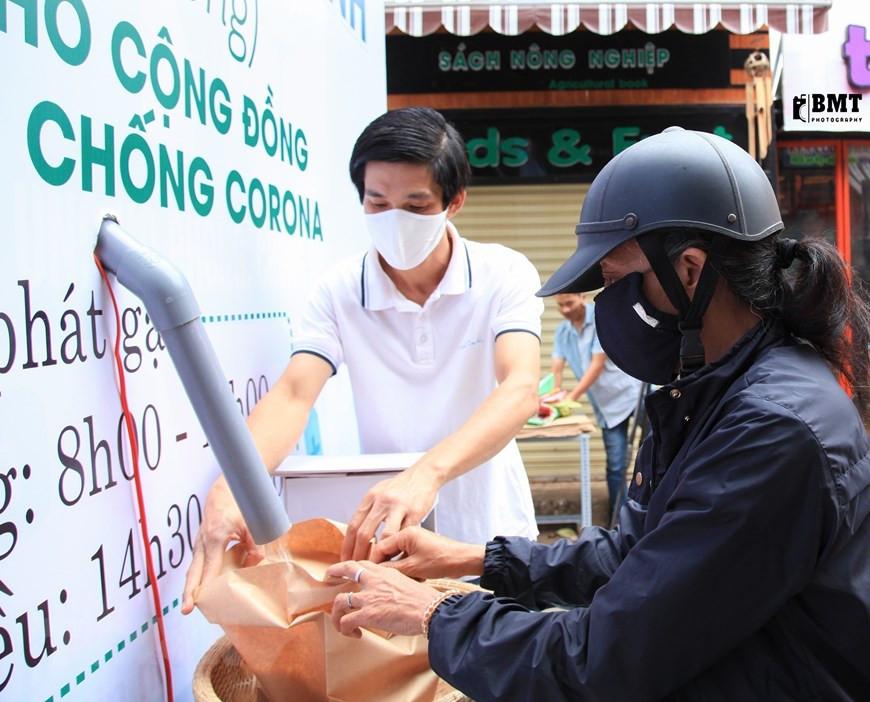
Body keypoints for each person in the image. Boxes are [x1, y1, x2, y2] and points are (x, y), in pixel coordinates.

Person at [325, 127, 870, 701]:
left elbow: (607, 656)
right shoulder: (713, 388)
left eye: (612, 279)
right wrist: (476, 559)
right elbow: (644, 556)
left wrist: (438, 615)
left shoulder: (771, 429)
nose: (602, 302)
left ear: (689, 269)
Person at [181, 106, 544, 614]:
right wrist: (232, 488)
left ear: (453, 202)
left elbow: (520, 388)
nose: (394, 220)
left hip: (489, 532)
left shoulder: (502, 273)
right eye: (377, 203)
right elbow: (292, 394)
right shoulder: (339, 291)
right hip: (393, 542)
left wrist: (425, 475)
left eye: (415, 206)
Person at [550, 291, 643, 514]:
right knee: (615, 464)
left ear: (582, 297)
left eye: (569, 303)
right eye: (560, 305)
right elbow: (557, 365)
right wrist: (556, 391)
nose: (565, 310)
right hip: (606, 406)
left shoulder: (601, 319)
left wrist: (571, 398)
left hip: (633, 393)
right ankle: (620, 517)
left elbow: (596, 365)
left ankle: (652, 512)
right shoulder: (563, 331)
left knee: (653, 454)